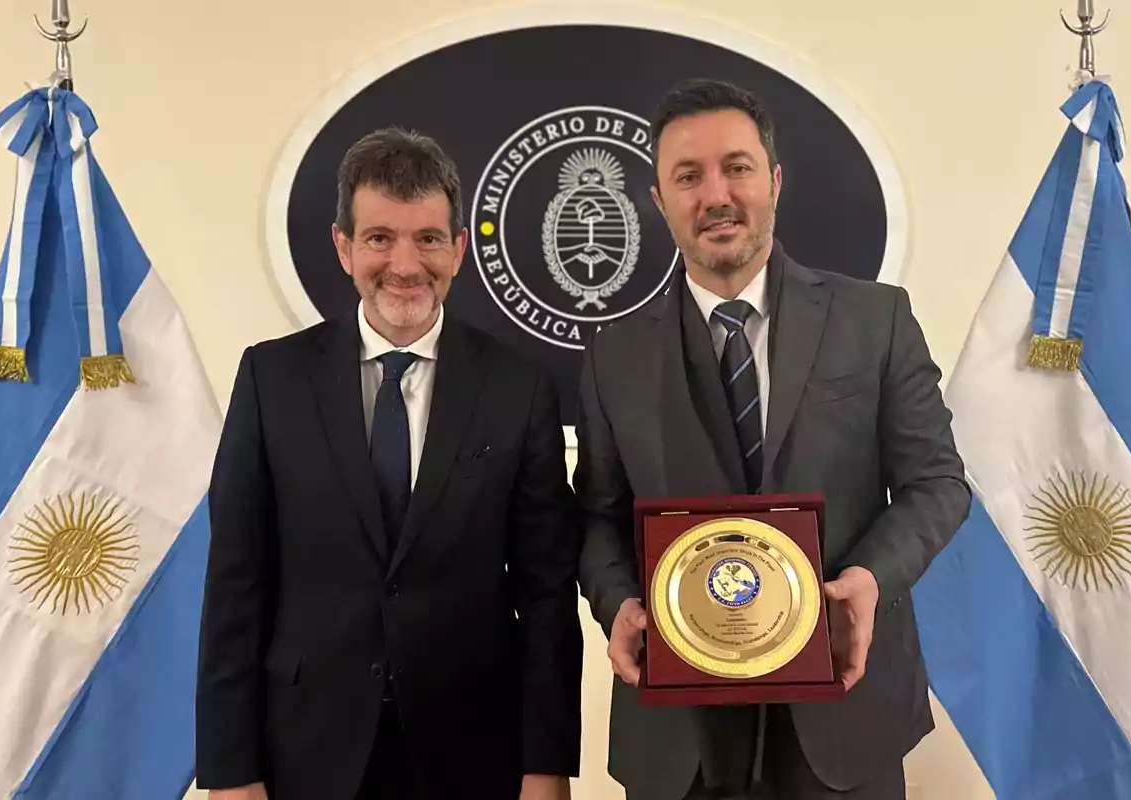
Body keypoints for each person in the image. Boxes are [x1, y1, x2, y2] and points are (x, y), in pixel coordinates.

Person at [574, 78, 971, 800]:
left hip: (843, 715)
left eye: (737, 167)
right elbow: (597, 515)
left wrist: (870, 582)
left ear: (775, 181)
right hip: (677, 736)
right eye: (687, 177)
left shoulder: (874, 319)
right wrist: (617, 602)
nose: (715, 194)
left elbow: (937, 485)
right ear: (659, 202)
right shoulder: (612, 354)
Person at [195, 127, 582, 800]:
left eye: (428, 238)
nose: (405, 263)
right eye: (380, 238)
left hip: (472, 753)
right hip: (305, 752)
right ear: (344, 247)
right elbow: (234, 588)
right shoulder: (271, 379)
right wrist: (231, 773)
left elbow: (546, 597)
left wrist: (546, 768)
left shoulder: (519, 386)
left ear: (459, 250)